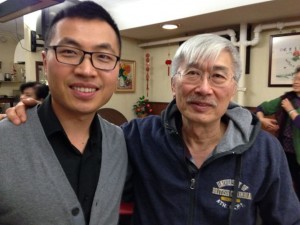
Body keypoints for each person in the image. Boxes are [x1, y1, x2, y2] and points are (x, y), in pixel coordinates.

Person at [6, 35, 300, 224]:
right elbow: (82, 149)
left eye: (219, 76)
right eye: (193, 73)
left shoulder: (263, 150)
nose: (204, 88)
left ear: (233, 87)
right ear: (174, 85)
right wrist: (43, 115)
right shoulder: (137, 137)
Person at [0, 2, 127, 225]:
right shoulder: (5, 142)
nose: (86, 70)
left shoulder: (121, 142)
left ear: (117, 68)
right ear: (45, 61)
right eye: (69, 52)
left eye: (104, 56)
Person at [256, 66, 300, 201]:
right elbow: (261, 107)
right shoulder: (287, 99)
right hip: (284, 150)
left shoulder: (288, 104)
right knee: (280, 184)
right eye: (295, 78)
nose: (296, 81)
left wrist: (291, 110)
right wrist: (261, 119)